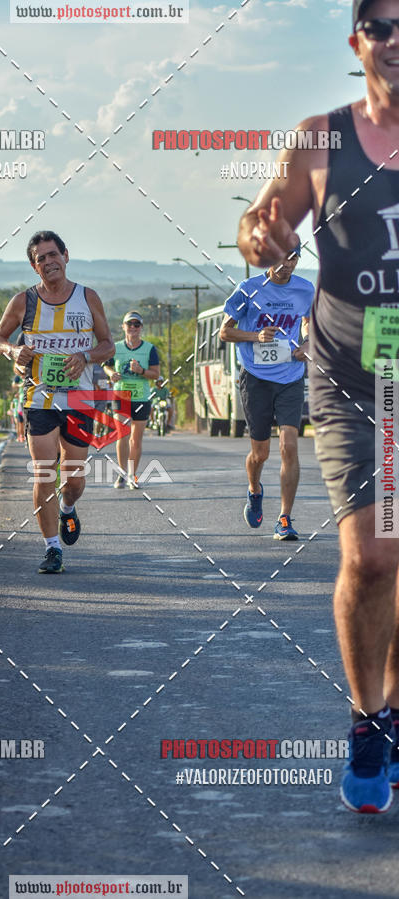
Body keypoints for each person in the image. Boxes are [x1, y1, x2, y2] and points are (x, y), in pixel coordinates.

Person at [236, 0, 399, 812]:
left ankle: (394, 713)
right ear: (356, 43)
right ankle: (367, 722)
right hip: (358, 380)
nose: (397, 39)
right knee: (371, 557)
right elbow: (260, 222)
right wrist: (261, 240)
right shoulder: (320, 138)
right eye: (383, 25)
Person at [0, 230, 114, 574]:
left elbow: (108, 345)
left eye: (52, 254)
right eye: (40, 258)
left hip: (79, 398)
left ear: (66, 256)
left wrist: (86, 356)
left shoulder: (88, 298)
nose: (48, 262)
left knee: (74, 479)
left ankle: (67, 506)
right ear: (34, 267)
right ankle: (51, 548)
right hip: (38, 398)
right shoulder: (23, 302)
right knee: (43, 471)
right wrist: (14, 349)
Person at [220, 250, 313, 540]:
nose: (286, 266)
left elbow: (308, 321)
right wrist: (255, 336)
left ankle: (284, 518)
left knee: (289, 446)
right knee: (260, 454)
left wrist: (308, 344)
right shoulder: (248, 289)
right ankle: (254, 489)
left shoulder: (305, 289)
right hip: (256, 378)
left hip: (291, 376)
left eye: (293, 259)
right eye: (282, 258)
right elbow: (224, 332)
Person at [102, 311, 160, 488]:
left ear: (141, 328)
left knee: (136, 438)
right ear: (123, 327)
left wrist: (141, 371)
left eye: (137, 324)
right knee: (122, 435)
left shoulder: (149, 349)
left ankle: (132, 475)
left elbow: (156, 374)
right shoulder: (116, 347)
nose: (133, 328)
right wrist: (112, 374)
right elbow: (106, 366)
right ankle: (122, 473)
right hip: (122, 396)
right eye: (130, 324)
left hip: (141, 397)